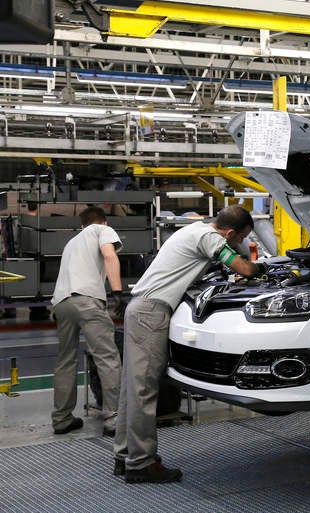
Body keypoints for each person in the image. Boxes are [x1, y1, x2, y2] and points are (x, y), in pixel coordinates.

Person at [114, 205, 262, 484]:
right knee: (144, 390)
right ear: (229, 232)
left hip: (140, 309)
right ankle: (141, 464)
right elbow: (244, 268)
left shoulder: (193, 229)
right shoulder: (211, 238)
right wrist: (260, 267)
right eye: (240, 238)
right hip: (151, 313)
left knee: (131, 390)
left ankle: (125, 456)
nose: (239, 243)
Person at [51, 206, 123, 436]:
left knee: (65, 361)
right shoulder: (102, 230)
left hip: (61, 303)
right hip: (87, 300)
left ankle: (62, 418)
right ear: (104, 222)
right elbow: (110, 255)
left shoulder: (71, 242)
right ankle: (113, 418)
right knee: (107, 358)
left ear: (81, 225)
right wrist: (117, 291)